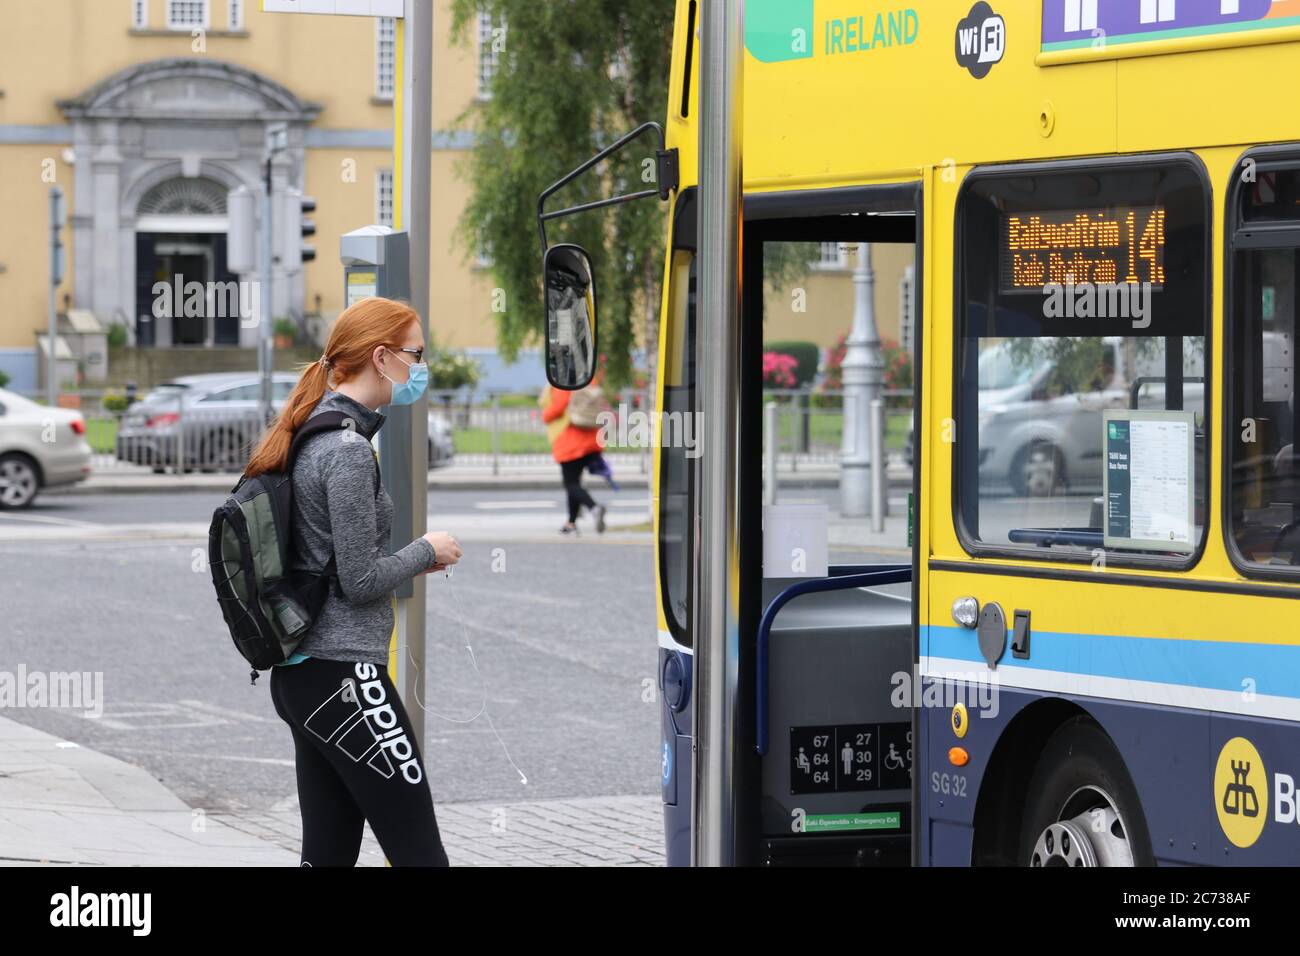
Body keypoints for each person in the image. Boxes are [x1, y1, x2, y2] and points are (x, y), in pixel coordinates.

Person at [243, 296, 463, 867]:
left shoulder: (312, 431)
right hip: (345, 680)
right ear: (383, 356)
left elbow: (332, 562)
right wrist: (425, 549)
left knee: (328, 854)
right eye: (416, 353)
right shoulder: (346, 449)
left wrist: (413, 560)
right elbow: (359, 580)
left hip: (304, 680)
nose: (421, 366)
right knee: (420, 853)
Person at [540, 382, 607, 535]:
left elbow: (558, 407)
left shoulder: (563, 383)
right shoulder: (589, 380)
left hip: (571, 442)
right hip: (590, 441)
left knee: (570, 483)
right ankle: (571, 522)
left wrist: (545, 415)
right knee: (574, 483)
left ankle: (594, 508)